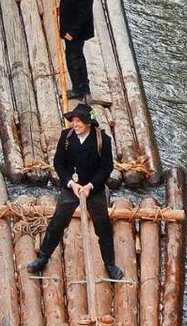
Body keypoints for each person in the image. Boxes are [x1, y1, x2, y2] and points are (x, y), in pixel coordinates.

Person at [27, 103, 123, 280]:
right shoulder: (66, 137)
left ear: (88, 123)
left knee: (103, 228)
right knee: (57, 224)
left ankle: (110, 263)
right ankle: (43, 257)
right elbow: (59, 163)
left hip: (94, 190)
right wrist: (71, 183)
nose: (75, 124)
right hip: (71, 188)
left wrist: (90, 186)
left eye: (79, 121)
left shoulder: (104, 140)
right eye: (73, 120)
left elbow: (106, 167)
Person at [57, 0, 94, 100]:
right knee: (76, 57)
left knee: (74, 59)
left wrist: (71, 32)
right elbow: (71, 4)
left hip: (75, 33)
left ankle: (80, 89)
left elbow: (84, 16)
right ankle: (81, 86)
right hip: (70, 29)